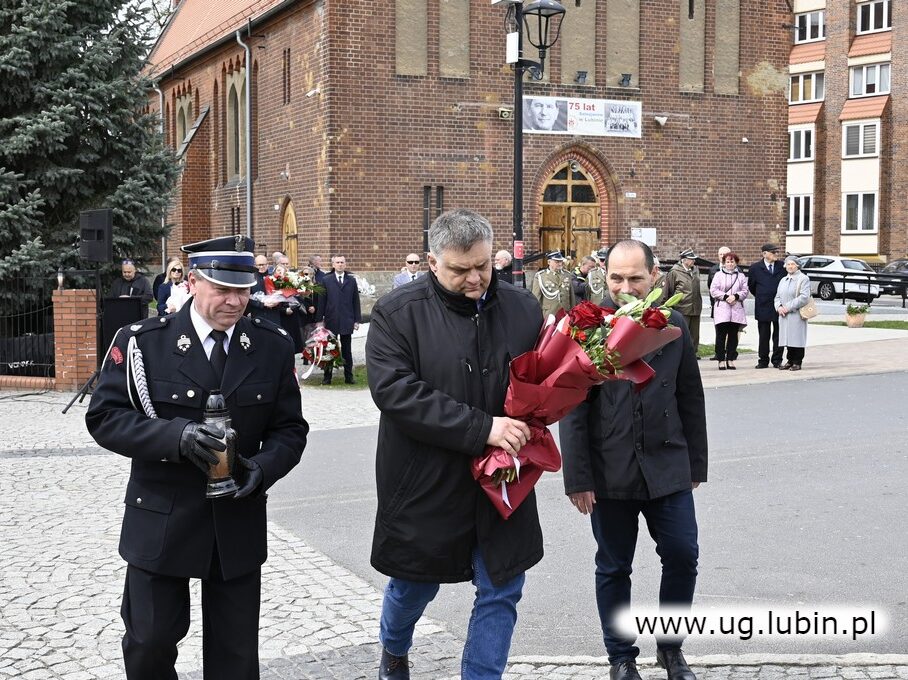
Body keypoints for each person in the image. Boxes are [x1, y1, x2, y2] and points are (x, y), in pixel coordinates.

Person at [85, 235, 308, 680]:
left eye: (243, 290)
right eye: (222, 289)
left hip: (236, 519)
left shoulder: (271, 345)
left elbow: (290, 430)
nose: (234, 301)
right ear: (191, 281)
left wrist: (261, 469)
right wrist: (177, 437)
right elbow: (105, 417)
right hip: (162, 514)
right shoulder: (142, 344)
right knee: (148, 643)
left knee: (235, 655)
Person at [366, 209, 543, 680]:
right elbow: (396, 393)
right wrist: (484, 428)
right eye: (460, 269)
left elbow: (542, 381)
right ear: (431, 261)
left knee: (501, 588)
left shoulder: (523, 308)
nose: (475, 279)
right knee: (413, 586)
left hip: (505, 479)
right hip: (425, 478)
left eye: (483, 266)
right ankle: (394, 649)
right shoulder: (396, 313)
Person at [559, 239, 707, 680]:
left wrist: (695, 465)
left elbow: (689, 396)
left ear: (654, 277)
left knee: (683, 555)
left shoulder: (674, 323)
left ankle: (670, 648)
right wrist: (578, 477)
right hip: (609, 470)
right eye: (617, 278)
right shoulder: (586, 326)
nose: (625, 287)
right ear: (604, 277)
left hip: (668, 466)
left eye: (635, 278)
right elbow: (573, 407)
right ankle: (620, 657)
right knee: (614, 565)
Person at [317, 255, 361, 384]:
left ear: (345, 264)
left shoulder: (351, 281)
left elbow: (355, 301)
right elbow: (322, 302)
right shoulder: (326, 280)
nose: (340, 264)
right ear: (333, 265)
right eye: (338, 262)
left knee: (347, 349)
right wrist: (320, 320)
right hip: (332, 319)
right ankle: (327, 377)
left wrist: (356, 320)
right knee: (330, 348)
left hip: (347, 319)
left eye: (342, 262)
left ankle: (349, 376)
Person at [747, 243, 786, 368]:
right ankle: (763, 360)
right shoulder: (755, 268)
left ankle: (777, 360)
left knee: (778, 335)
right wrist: (762, 294)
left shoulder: (782, 266)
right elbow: (752, 286)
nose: (776, 254)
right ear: (764, 254)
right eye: (773, 252)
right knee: (764, 335)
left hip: (779, 305)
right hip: (763, 305)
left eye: (776, 252)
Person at [709, 251, 748, 371]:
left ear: (736, 263)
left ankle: (730, 359)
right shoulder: (718, 275)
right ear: (724, 263)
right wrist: (726, 297)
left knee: (733, 336)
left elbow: (745, 291)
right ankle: (721, 359)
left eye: (732, 261)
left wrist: (736, 296)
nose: (730, 264)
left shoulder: (741, 276)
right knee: (721, 336)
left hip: (736, 309)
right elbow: (713, 290)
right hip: (722, 309)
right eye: (727, 262)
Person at [662, 248, 703, 355]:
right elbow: (668, 290)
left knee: (694, 334)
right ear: (684, 260)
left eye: (694, 259)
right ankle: (681, 354)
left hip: (695, 307)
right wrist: (667, 306)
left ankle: (693, 353)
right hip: (682, 308)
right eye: (691, 259)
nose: (693, 261)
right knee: (682, 333)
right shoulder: (674, 272)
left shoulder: (695, 270)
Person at [774, 255, 811, 371]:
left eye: (792, 264)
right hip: (784, 315)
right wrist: (779, 307)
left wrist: (788, 307)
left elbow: (804, 297)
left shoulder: (803, 278)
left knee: (797, 338)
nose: (790, 266)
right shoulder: (783, 280)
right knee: (787, 338)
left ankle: (797, 361)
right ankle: (790, 360)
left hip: (797, 313)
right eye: (788, 264)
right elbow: (777, 297)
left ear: (797, 266)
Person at [531, 250, 575, 317]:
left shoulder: (567, 275)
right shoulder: (541, 276)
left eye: (561, 261)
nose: (560, 264)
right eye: (557, 262)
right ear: (549, 262)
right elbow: (536, 298)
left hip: (565, 313)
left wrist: (572, 312)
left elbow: (571, 296)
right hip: (549, 314)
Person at [705, 246, 731, 360]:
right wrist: (713, 303)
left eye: (725, 254)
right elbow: (710, 287)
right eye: (720, 254)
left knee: (731, 331)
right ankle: (719, 353)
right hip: (717, 305)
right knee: (719, 330)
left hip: (731, 305)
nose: (723, 257)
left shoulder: (736, 270)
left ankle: (730, 353)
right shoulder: (713, 269)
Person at [245, 254, 282, 326]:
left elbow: (282, 293)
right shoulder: (250, 278)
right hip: (258, 315)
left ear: (267, 265)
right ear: (255, 265)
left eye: (263, 265)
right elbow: (246, 298)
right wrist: (262, 304)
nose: (261, 267)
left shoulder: (274, 277)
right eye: (259, 265)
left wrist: (278, 301)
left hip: (274, 315)